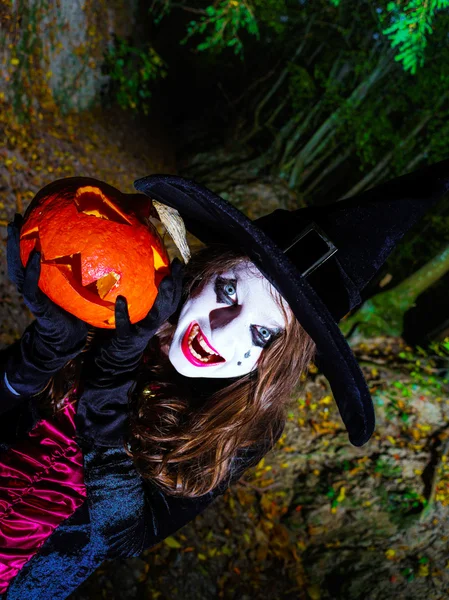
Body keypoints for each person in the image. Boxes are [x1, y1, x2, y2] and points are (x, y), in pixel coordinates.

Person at [0, 158, 448, 599]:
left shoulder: (244, 426)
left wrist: (106, 398)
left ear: (281, 359)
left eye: (262, 332)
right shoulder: (123, 299)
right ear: (203, 275)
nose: (220, 329)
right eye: (229, 291)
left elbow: (129, 535)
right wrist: (35, 360)